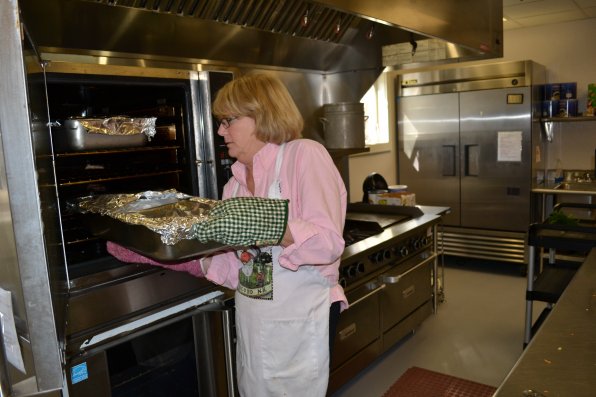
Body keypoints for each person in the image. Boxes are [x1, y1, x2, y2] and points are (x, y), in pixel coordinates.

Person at [108, 73, 347, 396]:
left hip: (302, 315)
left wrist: (265, 223)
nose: (220, 130)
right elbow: (236, 270)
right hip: (253, 319)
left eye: (228, 120)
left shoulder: (303, 155)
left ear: (261, 116)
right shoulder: (233, 186)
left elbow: (327, 244)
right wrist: (170, 257)